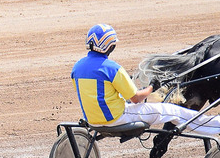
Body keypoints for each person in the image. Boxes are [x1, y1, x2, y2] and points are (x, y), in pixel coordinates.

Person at [72, 24, 220, 136]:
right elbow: (136, 98)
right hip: (118, 119)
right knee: (172, 111)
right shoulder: (112, 68)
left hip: (92, 119)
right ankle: (215, 125)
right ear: (111, 46)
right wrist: (151, 87)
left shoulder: (77, 67)